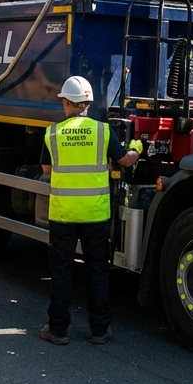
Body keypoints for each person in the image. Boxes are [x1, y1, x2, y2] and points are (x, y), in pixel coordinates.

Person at [39, 76, 139, 346]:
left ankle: (58, 330)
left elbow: (47, 171)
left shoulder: (52, 133)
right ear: (88, 104)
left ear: (65, 102)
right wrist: (137, 149)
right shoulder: (103, 131)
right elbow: (124, 160)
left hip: (63, 214)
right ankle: (99, 330)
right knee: (97, 271)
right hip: (95, 214)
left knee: (61, 271)